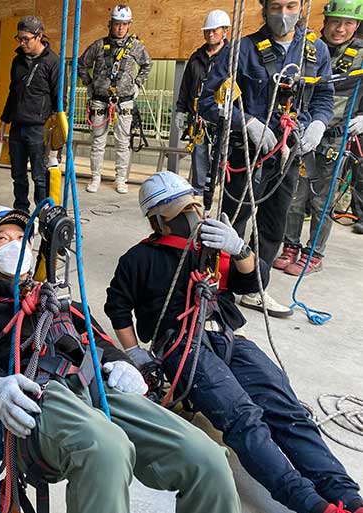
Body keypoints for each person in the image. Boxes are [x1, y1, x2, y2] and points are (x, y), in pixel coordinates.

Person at [0, 205, 241, 513]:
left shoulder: (61, 303)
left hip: (96, 382)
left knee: (207, 458)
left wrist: (121, 362)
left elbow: (98, 338)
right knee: (107, 449)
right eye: (3, 240)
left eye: (21, 237)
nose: (16, 245)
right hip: (40, 397)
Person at [105, 171, 363, 513]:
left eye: (195, 207)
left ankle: (346, 493)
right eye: (183, 212)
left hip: (229, 338)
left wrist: (240, 249)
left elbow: (252, 283)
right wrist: (135, 351)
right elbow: (118, 306)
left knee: (286, 409)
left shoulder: (213, 249)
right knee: (242, 418)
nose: (194, 217)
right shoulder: (139, 259)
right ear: (158, 221)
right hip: (182, 347)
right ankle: (310, 503)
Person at [198, 0, 334, 318]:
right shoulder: (242, 50)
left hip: (287, 156)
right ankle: (217, 286)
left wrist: (318, 123)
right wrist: (246, 122)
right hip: (246, 155)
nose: (284, 14)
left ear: (302, 7)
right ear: (265, 8)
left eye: (290, 5)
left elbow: (324, 97)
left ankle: (255, 287)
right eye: (276, 6)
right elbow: (208, 101)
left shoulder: (315, 52)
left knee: (273, 226)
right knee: (232, 221)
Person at [276, 0, 363, 275]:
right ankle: (290, 245)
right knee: (294, 195)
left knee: (321, 199)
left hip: (334, 137)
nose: (340, 29)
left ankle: (313, 253)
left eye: (347, 23)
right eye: (335, 21)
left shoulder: (362, 56)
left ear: (357, 25)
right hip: (303, 131)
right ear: (325, 20)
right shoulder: (307, 47)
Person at [78, 5, 152, 194]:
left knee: (122, 143)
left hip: (124, 101)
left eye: (124, 24)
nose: (120, 28)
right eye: (117, 24)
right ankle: (96, 177)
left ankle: (121, 179)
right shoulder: (99, 45)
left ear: (129, 25)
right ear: (110, 24)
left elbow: (146, 65)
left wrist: (137, 84)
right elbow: (82, 64)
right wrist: (89, 84)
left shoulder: (135, 46)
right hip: (100, 100)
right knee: (98, 142)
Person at [0, 17, 60, 212]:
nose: (22, 43)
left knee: (40, 176)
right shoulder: (17, 61)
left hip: (38, 128)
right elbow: (12, 92)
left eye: (26, 39)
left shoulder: (53, 62)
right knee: (18, 174)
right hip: (17, 125)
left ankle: (42, 212)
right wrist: (3, 122)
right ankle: (22, 211)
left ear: (39, 36)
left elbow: (59, 97)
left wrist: (57, 132)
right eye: (19, 38)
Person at [174, 10, 231, 195]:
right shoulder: (196, 57)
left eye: (215, 30)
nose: (210, 34)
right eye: (207, 31)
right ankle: (199, 191)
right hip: (198, 117)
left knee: (222, 155)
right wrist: (180, 110)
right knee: (199, 154)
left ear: (225, 31)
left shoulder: (231, 58)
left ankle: (225, 192)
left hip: (220, 116)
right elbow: (186, 86)